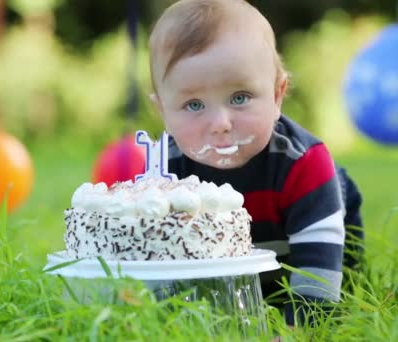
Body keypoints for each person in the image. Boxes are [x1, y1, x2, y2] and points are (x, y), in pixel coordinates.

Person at [148, 0, 364, 326]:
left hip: (312, 258)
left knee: (335, 286)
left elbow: (317, 269)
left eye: (239, 97)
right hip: (235, 272)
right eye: (193, 104)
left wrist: (297, 330)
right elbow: (157, 263)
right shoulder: (164, 170)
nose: (220, 122)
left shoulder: (303, 165)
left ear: (277, 96)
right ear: (163, 111)